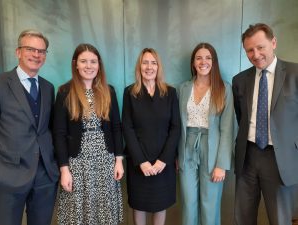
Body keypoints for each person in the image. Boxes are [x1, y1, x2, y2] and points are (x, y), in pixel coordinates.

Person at [232, 23, 298, 225]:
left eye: (260, 47)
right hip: (247, 158)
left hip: (280, 160)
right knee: (243, 218)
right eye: (250, 50)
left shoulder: (295, 73)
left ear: (274, 42)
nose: (256, 54)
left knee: (280, 220)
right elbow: (240, 116)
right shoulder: (239, 80)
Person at [53, 43, 124, 225]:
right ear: (75, 64)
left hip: (105, 160)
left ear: (99, 65)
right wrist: (64, 170)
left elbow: (116, 127)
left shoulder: (109, 91)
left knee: (103, 210)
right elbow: (59, 134)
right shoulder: (64, 92)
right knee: (78, 209)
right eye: (83, 61)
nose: (88, 66)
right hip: (77, 162)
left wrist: (118, 161)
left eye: (93, 62)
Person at [0, 29, 59, 225]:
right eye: (30, 49)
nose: (36, 55)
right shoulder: (0, 84)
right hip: (8, 175)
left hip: (44, 176)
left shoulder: (49, 88)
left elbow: (50, 128)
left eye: (41, 51)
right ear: (18, 52)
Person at [178, 43, 236, 225]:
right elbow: (177, 125)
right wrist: (176, 154)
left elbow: (227, 129)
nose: (203, 62)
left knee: (210, 204)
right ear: (193, 62)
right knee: (188, 203)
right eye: (199, 58)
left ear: (214, 62)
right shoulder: (183, 88)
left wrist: (222, 164)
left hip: (212, 149)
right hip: (187, 148)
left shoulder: (224, 88)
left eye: (208, 57)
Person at [122, 48, 181, 225]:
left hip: (163, 161)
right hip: (138, 161)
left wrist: (164, 160)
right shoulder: (130, 92)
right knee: (139, 205)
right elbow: (127, 127)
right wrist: (141, 161)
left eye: (153, 62)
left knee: (160, 204)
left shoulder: (170, 92)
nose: (149, 67)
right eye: (145, 62)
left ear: (158, 66)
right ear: (139, 66)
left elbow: (175, 128)